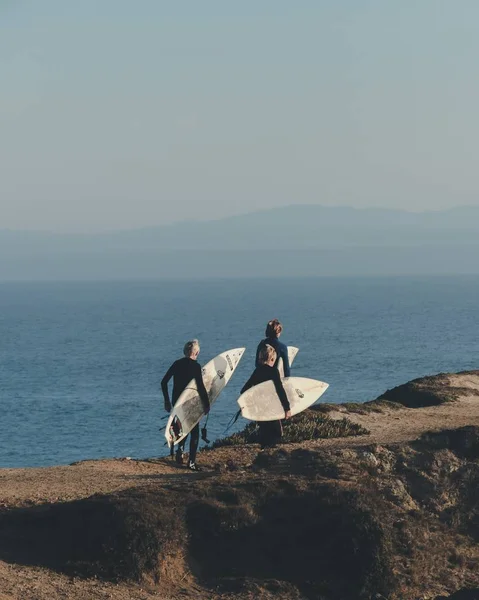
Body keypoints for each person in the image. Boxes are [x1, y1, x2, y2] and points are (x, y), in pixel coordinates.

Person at [161, 339, 210, 471]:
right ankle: (191, 463)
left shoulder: (177, 364)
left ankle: (180, 449)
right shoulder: (196, 367)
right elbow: (200, 387)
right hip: (190, 403)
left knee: (182, 425)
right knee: (194, 431)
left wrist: (166, 401)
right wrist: (206, 404)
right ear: (197, 352)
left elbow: (163, 382)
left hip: (176, 402)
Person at [241, 344, 291, 449]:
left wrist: (253, 401)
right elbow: (280, 390)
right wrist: (287, 408)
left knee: (264, 435)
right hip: (271, 409)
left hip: (260, 409)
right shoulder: (273, 371)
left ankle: (263, 456)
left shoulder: (257, 371)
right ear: (272, 358)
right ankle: (270, 459)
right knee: (277, 434)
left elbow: (244, 390)